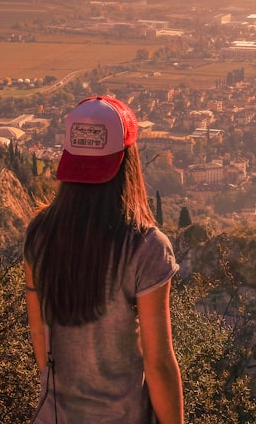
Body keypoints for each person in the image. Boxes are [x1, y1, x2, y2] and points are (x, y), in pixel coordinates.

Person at [24, 95, 183, 424]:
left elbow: (39, 332)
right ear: (128, 161)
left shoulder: (40, 234)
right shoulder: (146, 247)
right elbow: (159, 363)